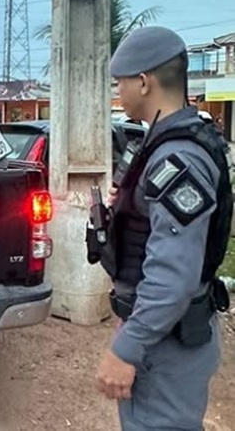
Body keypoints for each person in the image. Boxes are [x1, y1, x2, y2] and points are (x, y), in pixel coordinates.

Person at [92, 26, 233, 430]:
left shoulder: (179, 159)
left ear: (144, 82)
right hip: (161, 332)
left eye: (120, 82)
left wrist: (128, 347)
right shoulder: (165, 139)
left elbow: (173, 276)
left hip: (167, 344)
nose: (118, 91)